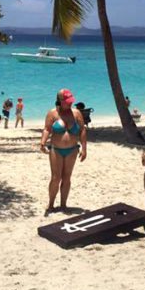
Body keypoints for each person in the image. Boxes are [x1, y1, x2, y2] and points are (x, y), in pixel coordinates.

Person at [40, 88, 87, 216]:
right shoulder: (52, 113)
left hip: (72, 150)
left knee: (67, 178)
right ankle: (50, 204)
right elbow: (47, 129)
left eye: (71, 101)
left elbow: (82, 130)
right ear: (60, 100)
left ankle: (63, 204)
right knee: (56, 178)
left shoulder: (76, 113)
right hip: (56, 149)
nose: (70, 103)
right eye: (67, 101)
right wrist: (42, 142)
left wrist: (84, 148)